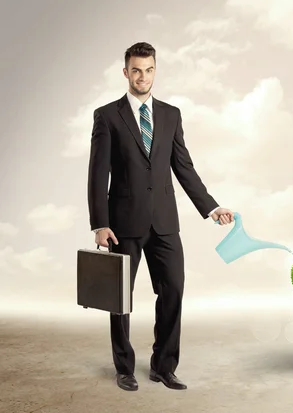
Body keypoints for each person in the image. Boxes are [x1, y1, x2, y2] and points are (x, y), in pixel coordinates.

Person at [87, 41, 234, 392]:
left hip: (166, 222)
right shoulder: (107, 116)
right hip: (122, 224)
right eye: (136, 70)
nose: (143, 76)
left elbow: (183, 167)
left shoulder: (171, 115)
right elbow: (97, 173)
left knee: (174, 290)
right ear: (126, 72)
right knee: (119, 298)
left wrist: (211, 207)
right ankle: (124, 367)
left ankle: (163, 366)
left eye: (149, 69)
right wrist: (99, 223)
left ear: (156, 70)